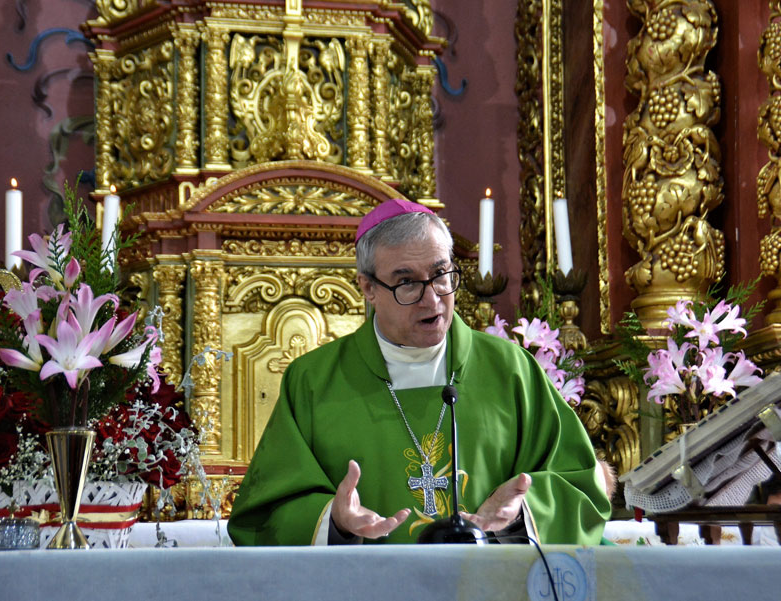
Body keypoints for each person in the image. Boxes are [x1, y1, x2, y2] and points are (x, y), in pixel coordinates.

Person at [227, 198, 611, 545]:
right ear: (368, 288)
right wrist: (334, 520)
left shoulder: (511, 370)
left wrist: (522, 512)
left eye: (441, 275)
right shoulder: (313, 381)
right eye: (406, 282)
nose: (432, 300)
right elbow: (264, 515)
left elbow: (581, 484)